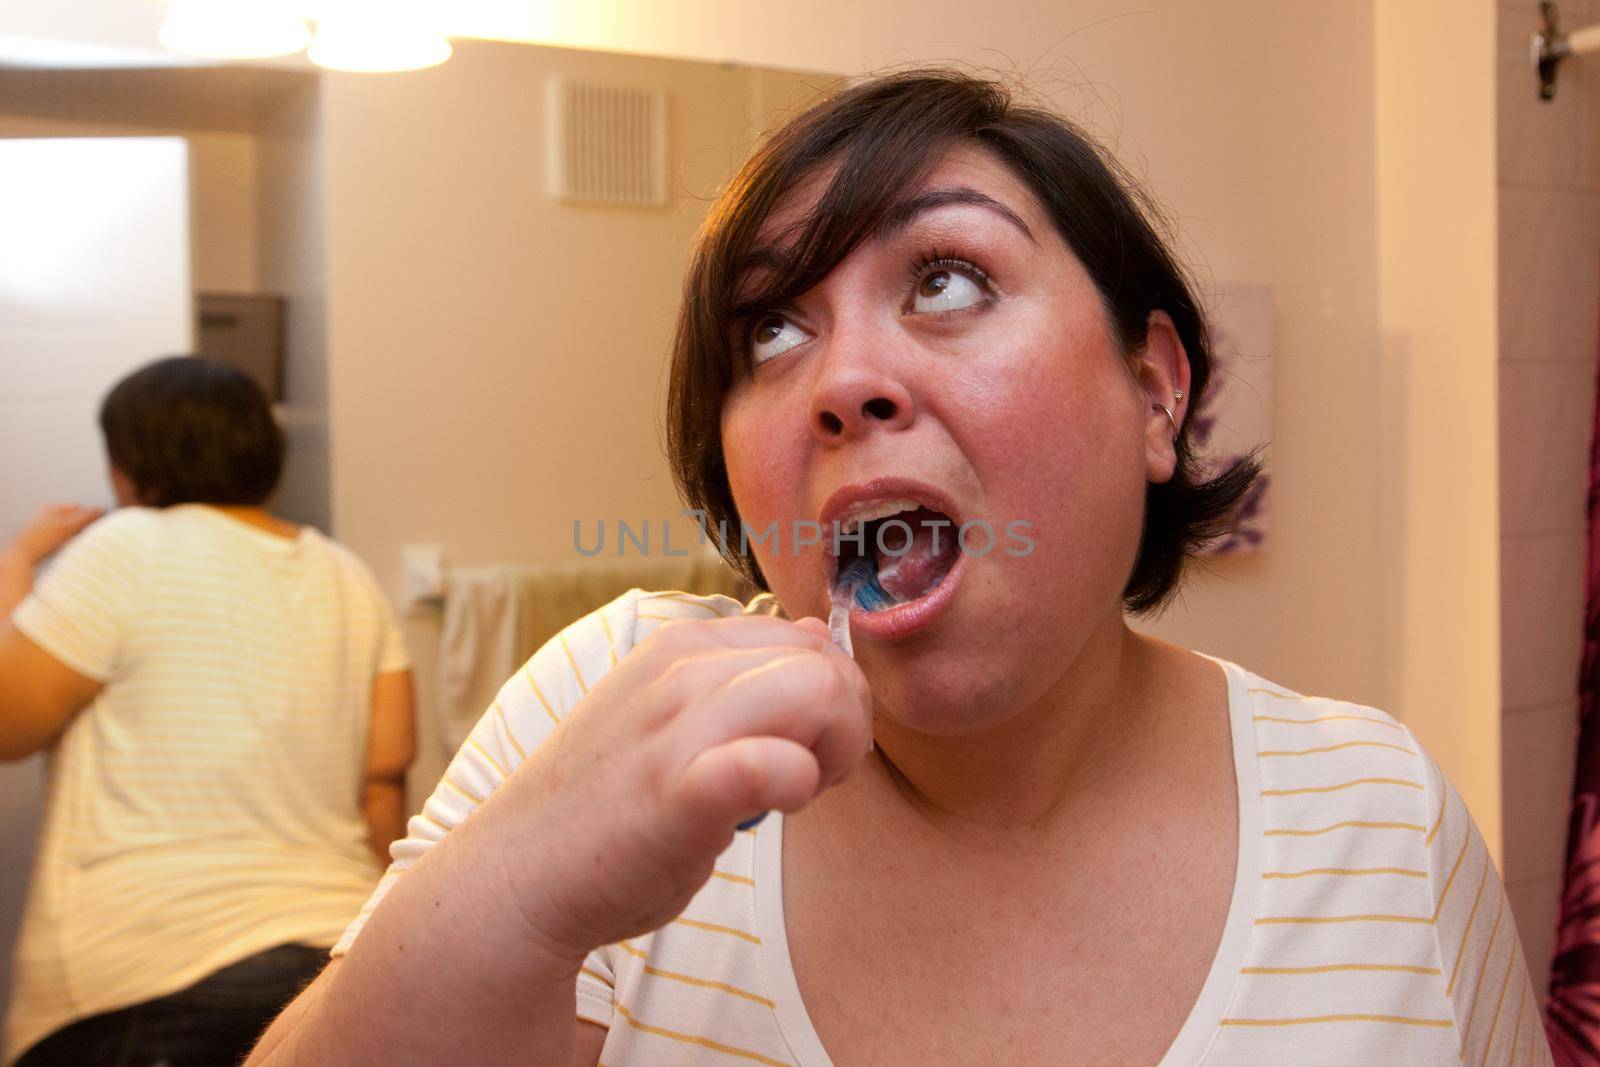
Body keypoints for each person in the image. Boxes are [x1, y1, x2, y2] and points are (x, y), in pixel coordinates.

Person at [249, 70, 1551, 1064]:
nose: (845, 380)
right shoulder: (609, 699)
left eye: (946, 279)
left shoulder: (1383, 817)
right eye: (772, 327)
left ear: (1157, 392)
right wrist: (517, 892)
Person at [0, 356, 415, 1066]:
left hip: (149, 975)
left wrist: (18, 561)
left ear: (131, 464)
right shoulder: (347, 573)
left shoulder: (127, 545)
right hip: (336, 967)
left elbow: (8, 723)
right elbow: (384, 785)